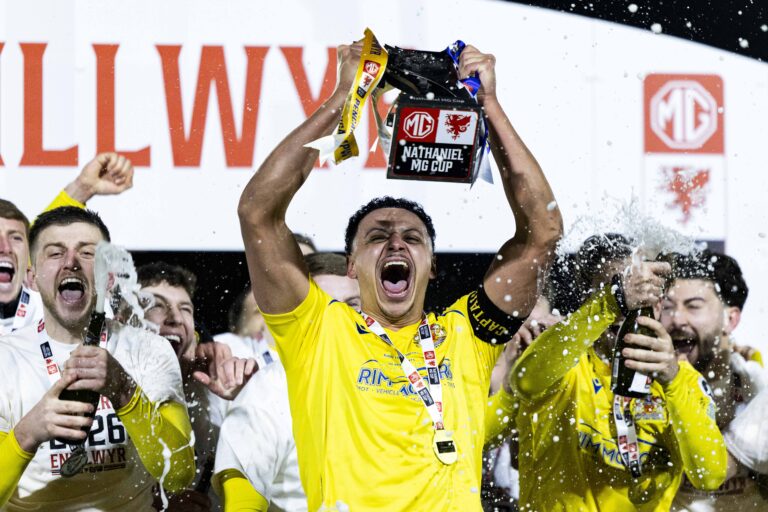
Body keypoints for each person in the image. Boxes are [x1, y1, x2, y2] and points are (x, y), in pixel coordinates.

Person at [237, 40, 562, 510]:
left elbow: (543, 232)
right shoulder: (318, 330)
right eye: (377, 237)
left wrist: (489, 106)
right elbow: (257, 213)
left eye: (412, 238)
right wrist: (342, 98)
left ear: (430, 266)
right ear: (351, 267)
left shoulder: (464, 333)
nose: (395, 243)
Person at [507, 234, 726, 510]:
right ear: (590, 299)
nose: (629, 305)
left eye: (642, 291)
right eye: (619, 291)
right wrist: (612, 301)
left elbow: (710, 476)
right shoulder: (565, 360)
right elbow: (525, 382)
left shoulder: (682, 380)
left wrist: (672, 382)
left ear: (659, 303)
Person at [0, 207, 194, 510]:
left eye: (88, 253)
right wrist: (28, 433)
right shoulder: (5, 358)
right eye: (54, 253)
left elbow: (179, 475)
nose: (71, 263)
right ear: (32, 278)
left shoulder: (149, 350)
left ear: (109, 278)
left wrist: (124, 392)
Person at [214, 252, 361, 512]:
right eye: (321, 307)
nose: (339, 319)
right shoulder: (267, 392)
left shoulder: (405, 384)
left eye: (352, 307)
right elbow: (242, 502)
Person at [662, 251, 768, 511]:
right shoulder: (643, 387)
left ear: (729, 319)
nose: (676, 319)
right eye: (667, 306)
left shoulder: (757, 389)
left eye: (693, 306)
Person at [0, 153, 134, 336]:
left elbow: (48, 239)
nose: (5, 248)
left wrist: (82, 188)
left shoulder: (56, 305)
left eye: (16, 238)